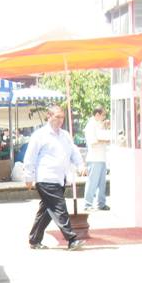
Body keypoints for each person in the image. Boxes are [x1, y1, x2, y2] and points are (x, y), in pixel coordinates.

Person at [23, 105, 86, 251]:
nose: (60, 120)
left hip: (60, 178)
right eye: (57, 117)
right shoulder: (40, 135)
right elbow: (30, 156)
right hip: (45, 178)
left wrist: (80, 165)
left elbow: (73, 152)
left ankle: (34, 239)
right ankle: (71, 239)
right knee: (59, 208)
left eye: (62, 117)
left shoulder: (65, 135)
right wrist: (28, 176)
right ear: (49, 116)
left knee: (46, 211)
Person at [83, 105, 111, 211]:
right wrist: (105, 140)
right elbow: (93, 141)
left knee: (101, 183)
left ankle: (101, 203)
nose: (104, 117)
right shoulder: (90, 125)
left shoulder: (99, 124)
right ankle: (88, 204)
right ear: (97, 114)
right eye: (103, 115)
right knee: (92, 182)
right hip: (94, 158)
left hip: (102, 157)